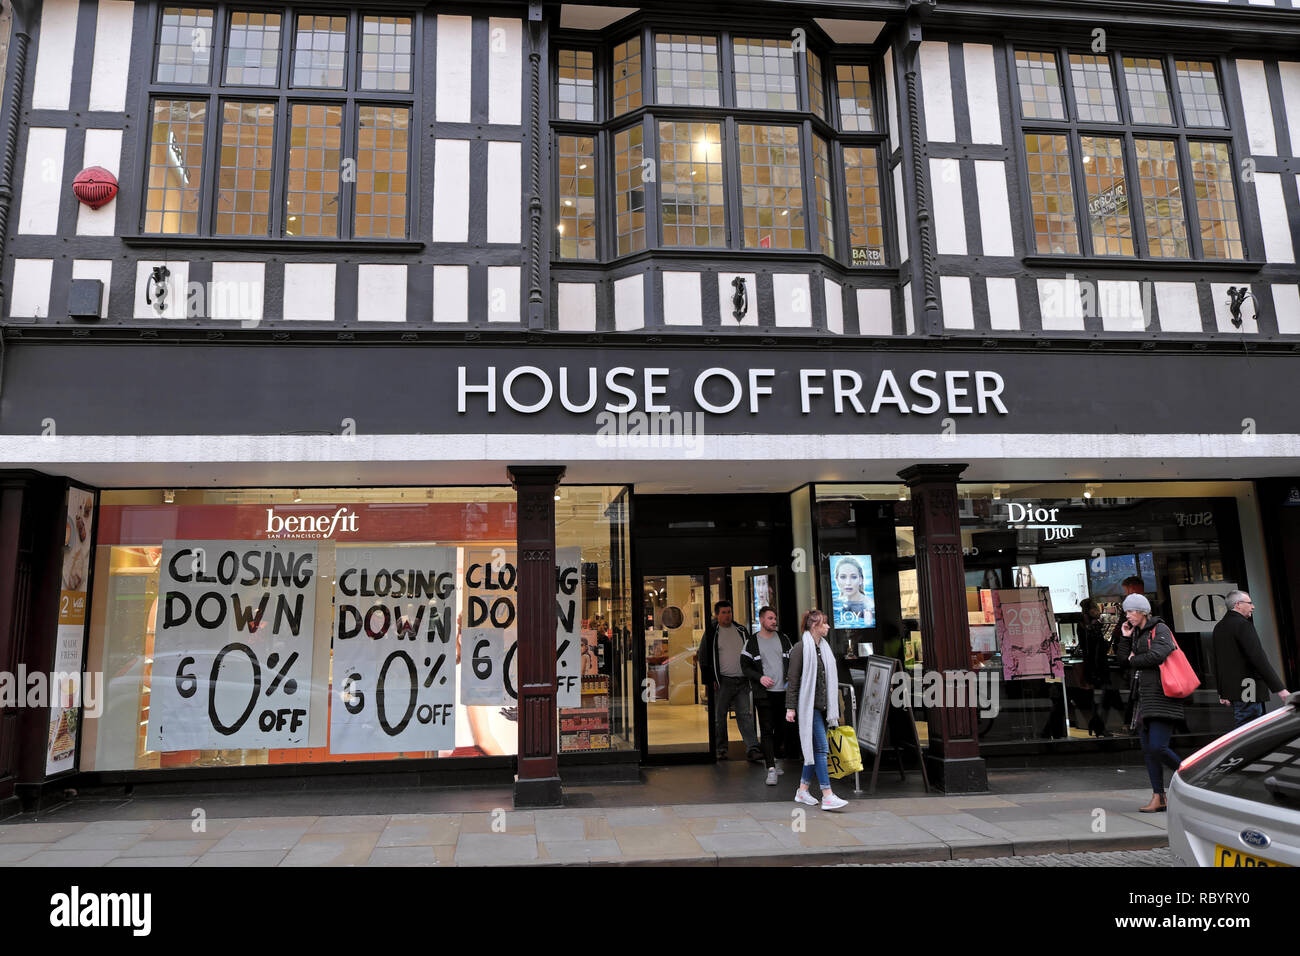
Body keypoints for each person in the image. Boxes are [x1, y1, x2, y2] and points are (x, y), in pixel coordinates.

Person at [1121, 594, 1183, 813]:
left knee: (1158, 746)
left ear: (1142, 611)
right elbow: (1122, 660)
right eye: (1126, 612)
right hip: (1143, 699)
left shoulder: (1160, 630)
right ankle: (1159, 796)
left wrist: (1133, 660)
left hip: (1162, 697)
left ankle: (1190, 775)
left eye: (1130, 611)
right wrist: (1126, 637)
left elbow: (1157, 655)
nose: (1127, 615)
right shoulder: (1136, 633)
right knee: (1148, 750)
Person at [785, 609, 848, 811]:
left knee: (813, 751)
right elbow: (793, 681)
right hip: (807, 707)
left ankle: (802, 790)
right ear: (814, 626)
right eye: (824, 623)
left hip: (821, 706)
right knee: (821, 747)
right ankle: (827, 794)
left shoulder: (824, 649)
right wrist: (790, 708)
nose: (828, 627)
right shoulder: (800, 649)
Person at [1212, 590, 1289, 727]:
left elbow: (1217, 661)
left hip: (1235, 690)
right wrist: (1280, 689)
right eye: (1250, 603)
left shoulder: (1219, 627)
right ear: (1238, 605)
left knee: (1245, 726)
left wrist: (1222, 691)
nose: (1253, 606)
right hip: (1248, 687)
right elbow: (1258, 657)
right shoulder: (1243, 625)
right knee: (1249, 728)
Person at [697, 600, 761, 761]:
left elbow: (751, 653)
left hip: (742, 681)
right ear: (717, 615)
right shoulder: (712, 633)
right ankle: (721, 748)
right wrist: (709, 680)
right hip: (722, 682)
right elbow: (703, 657)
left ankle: (752, 748)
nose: (727, 615)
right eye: (724, 613)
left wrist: (753, 674)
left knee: (745, 715)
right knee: (719, 717)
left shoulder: (741, 630)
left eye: (729, 612)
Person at [740, 605, 794, 785]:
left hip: (783, 692)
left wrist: (790, 676)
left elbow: (793, 660)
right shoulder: (752, 642)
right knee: (766, 729)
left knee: (781, 728)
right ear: (761, 620)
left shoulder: (784, 639)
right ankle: (770, 768)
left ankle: (776, 760)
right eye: (770, 618)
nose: (774, 621)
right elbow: (745, 666)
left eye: (775, 618)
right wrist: (760, 677)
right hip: (763, 694)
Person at [832, 557, 874, 628]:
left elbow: (868, 626)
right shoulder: (835, 602)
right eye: (843, 577)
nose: (848, 583)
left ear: (861, 580)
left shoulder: (868, 604)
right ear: (837, 580)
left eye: (853, 577)